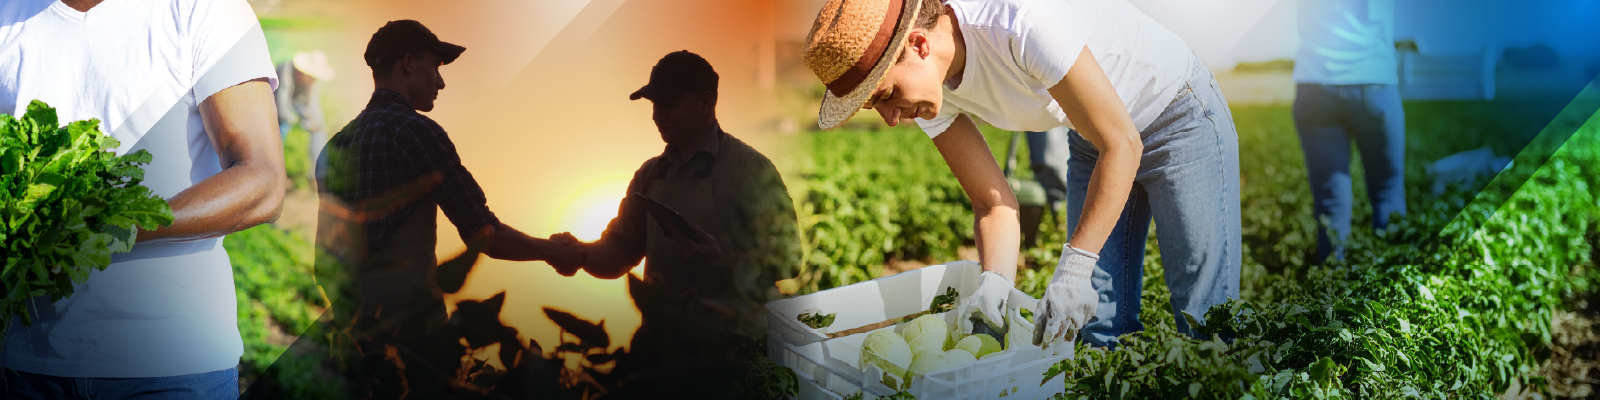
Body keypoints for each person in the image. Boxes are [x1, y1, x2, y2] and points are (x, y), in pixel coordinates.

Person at [801, 0, 1241, 349]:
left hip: (1177, 118)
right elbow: (993, 202)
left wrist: (1074, 267)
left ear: (918, 45)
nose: (891, 118)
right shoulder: (931, 96)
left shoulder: (1020, 21)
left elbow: (1123, 144)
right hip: (1095, 137)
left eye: (887, 95)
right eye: (876, 107)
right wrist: (995, 284)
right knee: (1098, 326)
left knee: (1204, 313)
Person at [0, 0, 285, 397]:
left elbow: (263, 183)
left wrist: (109, 226)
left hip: (171, 367)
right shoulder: (7, 16)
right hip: (25, 364)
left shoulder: (203, 9)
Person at [314, 20, 584, 397]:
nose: (440, 82)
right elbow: (483, 234)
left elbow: (324, 265)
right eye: (436, 67)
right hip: (418, 349)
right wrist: (555, 251)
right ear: (408, 63)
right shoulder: (417, 132)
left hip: (351, 350)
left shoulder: (334, 148)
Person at [551, 50, 801, 398]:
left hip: (736, 353)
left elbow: (789, 259)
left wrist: (722, 262)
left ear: (705, 101)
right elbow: (621, 252)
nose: (658, 115)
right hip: (664, 350)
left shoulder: (750, 170)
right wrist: (580, 254)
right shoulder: (649, 175)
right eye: (653, 104)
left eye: (668, 103)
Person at [1294, 0, 1405, 262]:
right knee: (1387, 192)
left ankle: (1331, 290)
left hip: (1315, 84)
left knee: (1330, 202)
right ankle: (1395, 286)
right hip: (1374, 79)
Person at [275, 50, 336, 180]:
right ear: (303, 72)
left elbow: (312, 104)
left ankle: (318, 177)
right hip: (276, 102)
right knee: (282, 126)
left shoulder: (312, 82)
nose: (313, 80)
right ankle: (272, 170)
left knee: (319, 129)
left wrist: (313, 122)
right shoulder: (284, 71)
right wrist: (294, 119)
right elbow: (281, 105)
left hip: (297, 103)